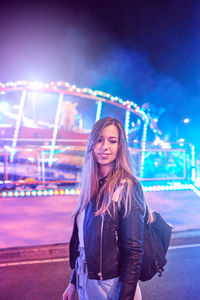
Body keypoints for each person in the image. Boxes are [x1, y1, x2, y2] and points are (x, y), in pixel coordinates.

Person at [63, 117, 150, 300]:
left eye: (112, 141)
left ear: (120, 147)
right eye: (100, 140)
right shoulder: (91, 186)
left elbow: (133, 253)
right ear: (92, 144)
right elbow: (84, 244)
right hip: (86, 281)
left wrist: (124, 297)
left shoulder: (128, 187)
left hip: (112, 285)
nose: (105, 147)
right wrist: (73, 282)